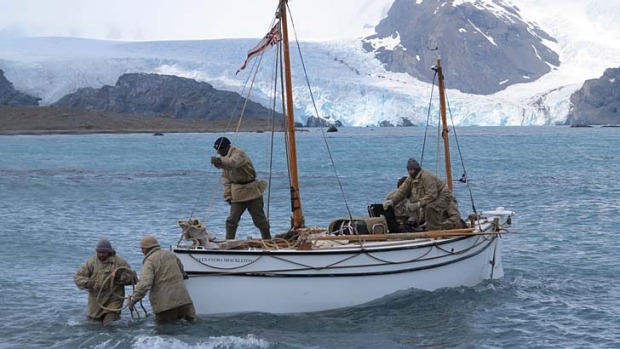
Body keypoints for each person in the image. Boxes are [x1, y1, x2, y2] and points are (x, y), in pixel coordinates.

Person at [210, 136, 271, 240]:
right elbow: (226, 180)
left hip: (252, 192)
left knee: (260, 220)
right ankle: (229, 242)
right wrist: (228, 196)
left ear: (227, 147)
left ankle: (268, 241)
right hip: (237, 194)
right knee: (231, 220)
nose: (219, 153)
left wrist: (220, 162)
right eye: (217, 151)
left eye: (220, 150)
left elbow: (232, 163)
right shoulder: (225, 162)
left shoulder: (239, 153)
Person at [128, 235, 196, 323]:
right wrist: (184, 275)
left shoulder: (150, 261)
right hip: (185, 302)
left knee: (166, 333)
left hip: (165, 307)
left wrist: (133, 300)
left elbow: (144, 284)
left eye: (142, 248)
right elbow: (181, 270)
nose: (141, 251)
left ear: (148, 248)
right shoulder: (171, 254)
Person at [383, 158, 464, 231]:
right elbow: (402, 191)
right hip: (431, 198)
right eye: (409, 170)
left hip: (443, 195)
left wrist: (418, 204)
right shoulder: (410, 179)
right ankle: (425, 226)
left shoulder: (427, 177)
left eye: (412, 170)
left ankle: (434, 230)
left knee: (431, 207)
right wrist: (392, 201)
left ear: (417, 169)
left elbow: (432, 194)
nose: (410, 172)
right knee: (417, 205)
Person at [74, 239, 138, 325]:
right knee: (92, 325)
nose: (101, 255)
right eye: (99, 252)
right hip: (96, 301)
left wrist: (120, 277)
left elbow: (133, 279)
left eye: (104, 253)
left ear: (109, 252)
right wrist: (87, 283)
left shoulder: (119, 262)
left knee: (109, 324)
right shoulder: (92, 262)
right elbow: (78, 276)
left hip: (113, 300)